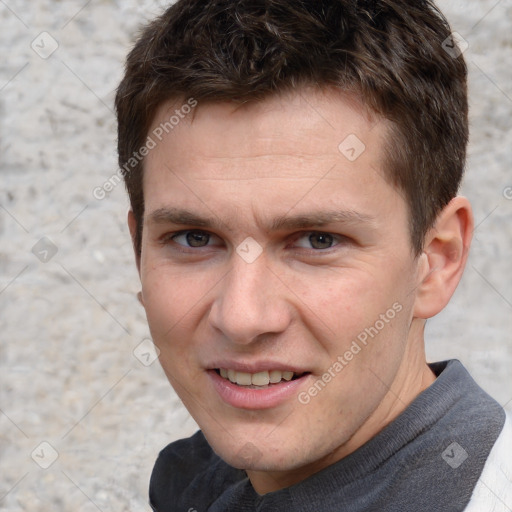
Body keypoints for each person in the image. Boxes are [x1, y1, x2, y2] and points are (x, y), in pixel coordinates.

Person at [114, 0, 512, 510]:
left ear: (436, 260)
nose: (242, 317)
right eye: (194, 238)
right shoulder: (193, 485)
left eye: (317, 240)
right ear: (137, 251)